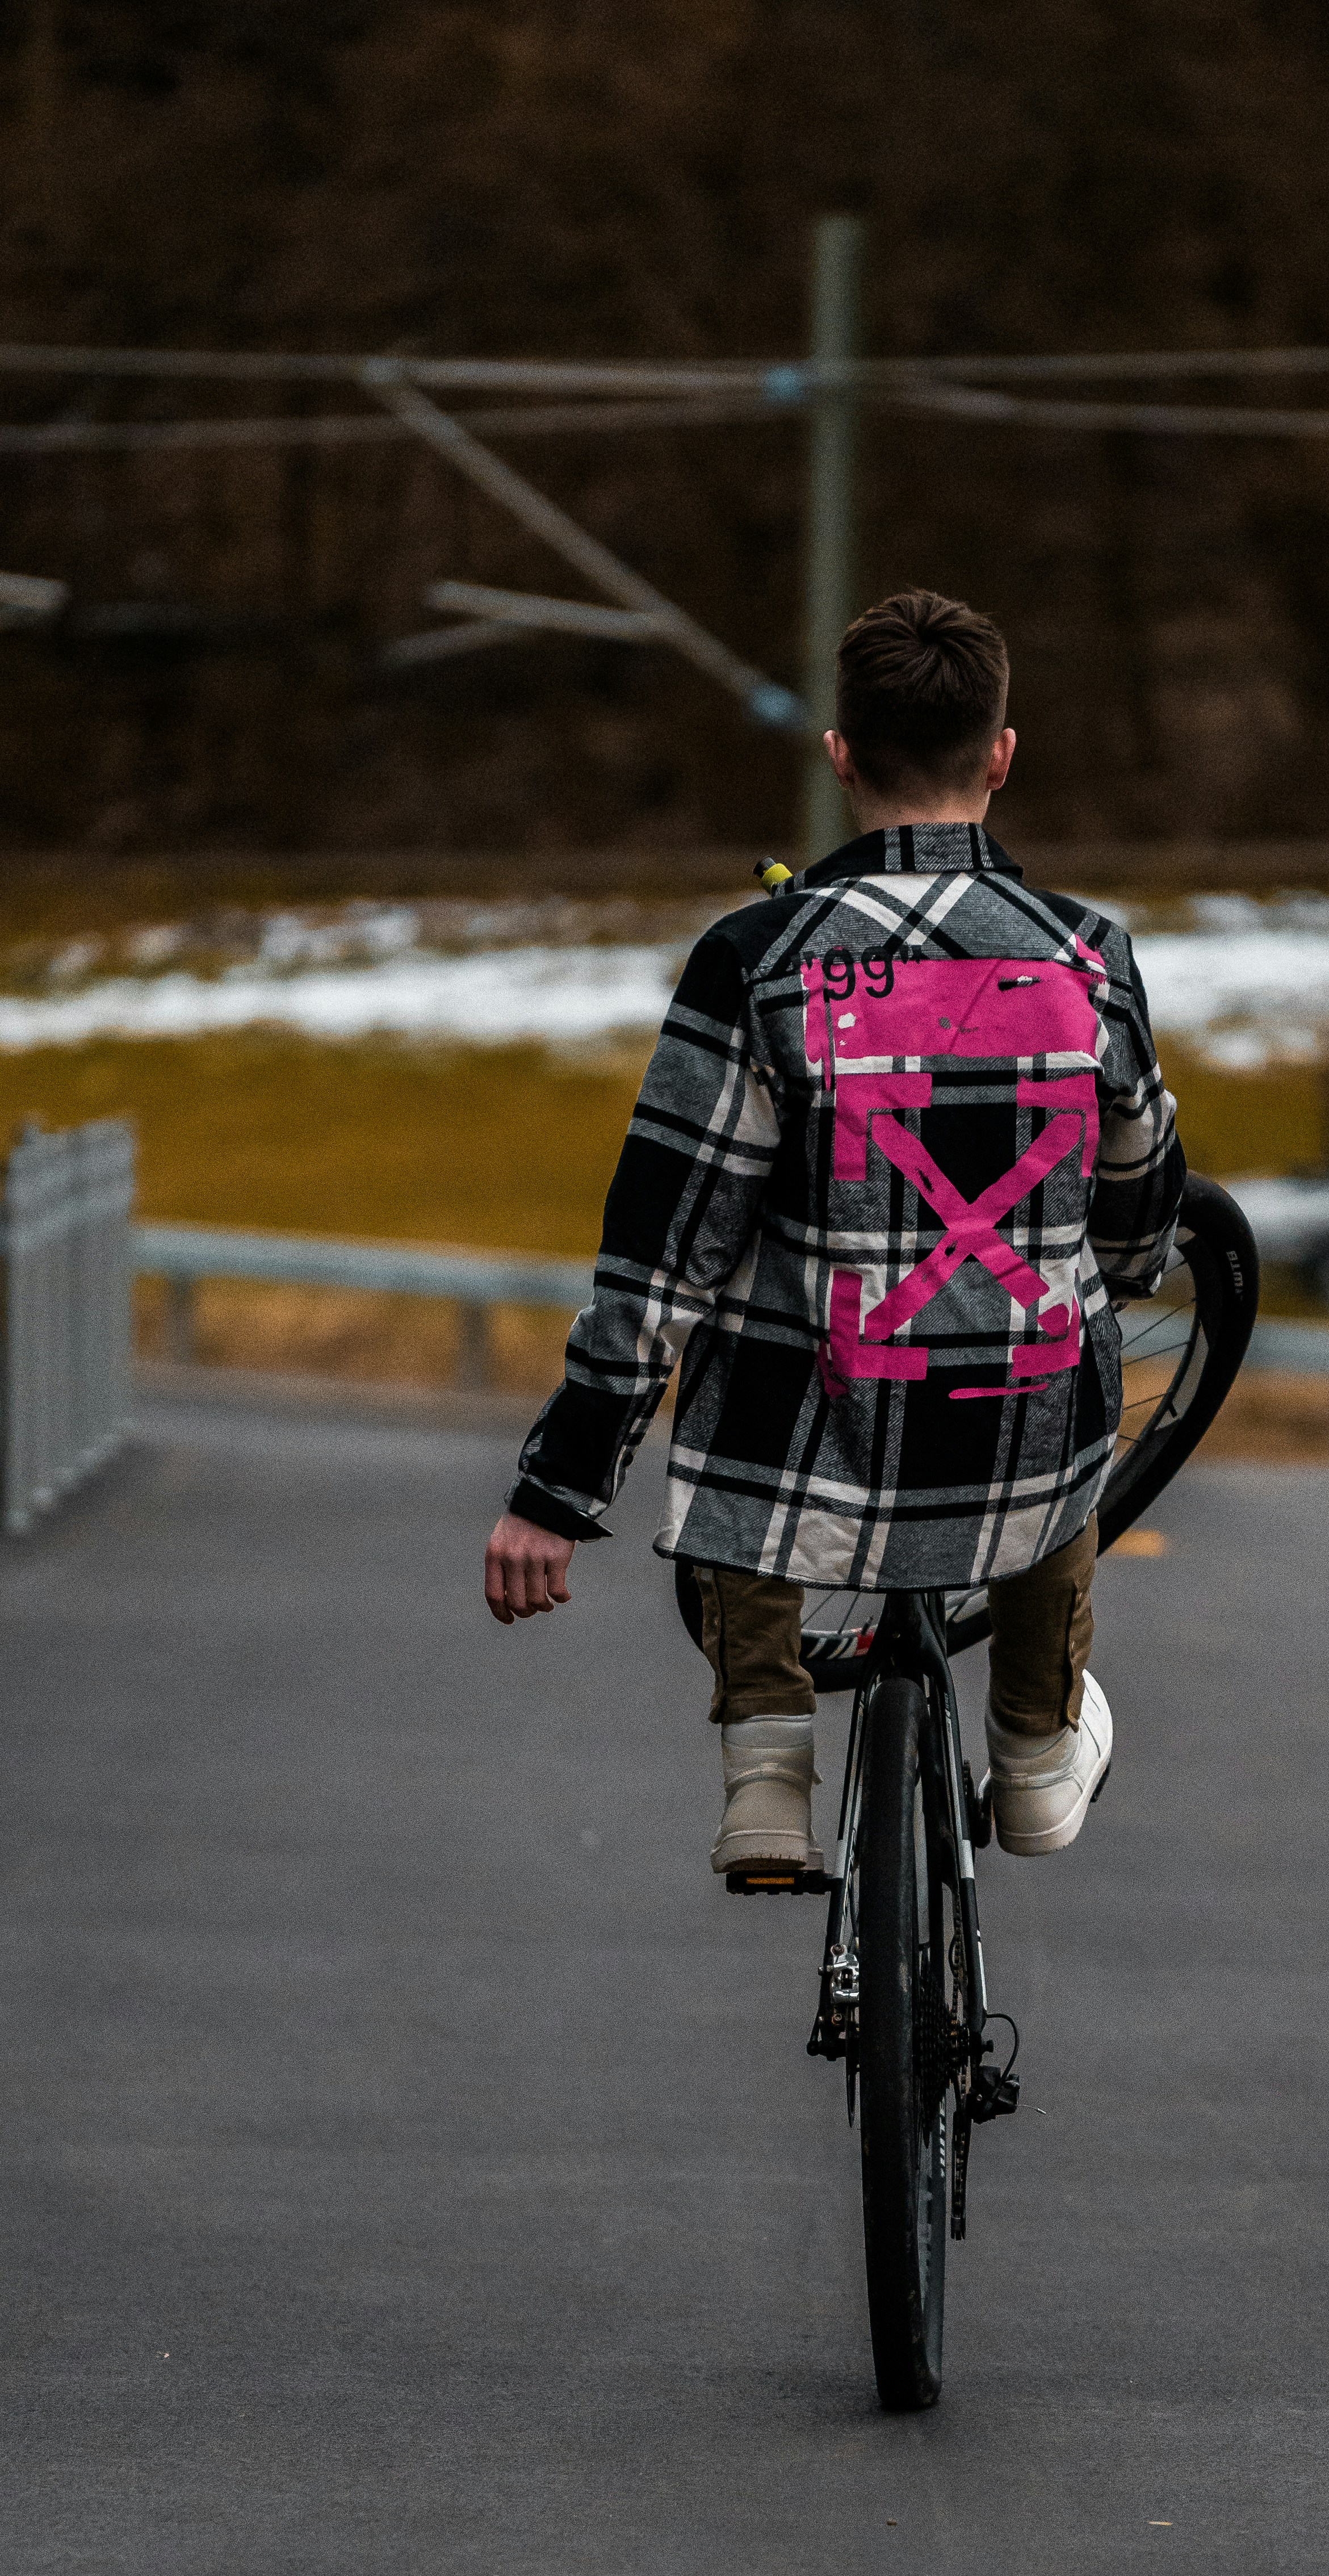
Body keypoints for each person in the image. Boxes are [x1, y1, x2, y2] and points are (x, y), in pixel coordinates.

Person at [484, 587, 1185, 1876]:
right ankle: (1032, 1753)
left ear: (842, 755)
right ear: (1002, 754)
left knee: (750, 1313)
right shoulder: (1093, 958)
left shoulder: (755, 959)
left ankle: (765, 1762)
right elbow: (1140, 1212)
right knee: (1062, 1347)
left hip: (809, 1455)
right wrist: (1111, 1262)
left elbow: (663, 1247)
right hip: (1014, 1460)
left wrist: (558, 1491)